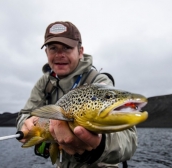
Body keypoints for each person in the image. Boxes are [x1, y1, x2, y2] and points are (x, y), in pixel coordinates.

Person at [16, 21, 137, 168]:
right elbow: (25, 114)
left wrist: (99, 145)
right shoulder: (44, 84)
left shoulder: (98, 83)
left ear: (80, 51)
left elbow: (129, 140)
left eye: (67, 48)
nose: (59, 55)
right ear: (46, 53)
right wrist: (26, 123)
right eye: (53, 48)